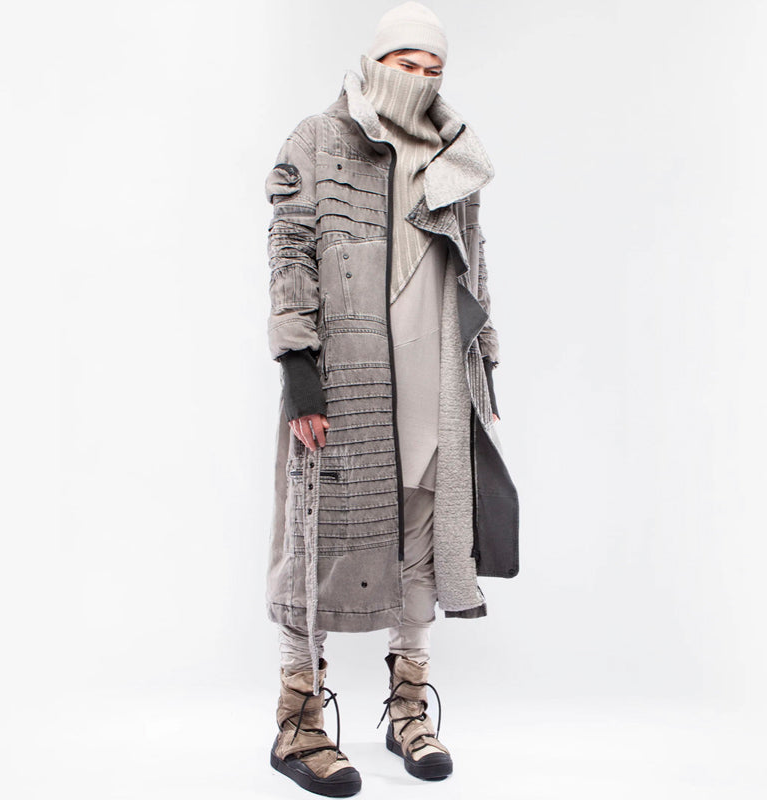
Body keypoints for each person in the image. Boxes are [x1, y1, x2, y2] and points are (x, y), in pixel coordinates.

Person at [263, 2, 519, 795]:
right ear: (377, 62)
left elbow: (474, 266)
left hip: (436, 376)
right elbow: (290, 251)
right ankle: (298, 725)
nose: (420, 79)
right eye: (407, 64)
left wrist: (485, 366)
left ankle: (408, 710)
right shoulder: (317, 138)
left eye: (433, 69)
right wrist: (299, 370)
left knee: (421, 540)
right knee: (314, 540)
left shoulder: (454, 153)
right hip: (348, 377)